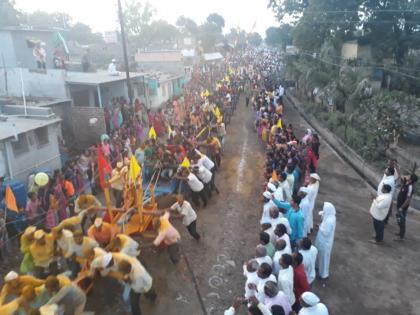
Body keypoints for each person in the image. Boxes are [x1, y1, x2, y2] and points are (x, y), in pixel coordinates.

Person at [314, 202, 336, 280]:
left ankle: (323, 274)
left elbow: (326, 232)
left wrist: (319, 227)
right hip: (322, 240)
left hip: (325, 242)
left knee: (324, 258)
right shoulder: (329, 216)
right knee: (319, 254)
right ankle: (318, 267)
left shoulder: (330, 221)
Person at [394, 174, 418, 241]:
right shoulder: (406, 182)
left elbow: (408, 199)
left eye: (409, 176)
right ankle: (400, 233)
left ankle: (401, 237)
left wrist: (401, 208)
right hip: (399, 205)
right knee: (399, 218)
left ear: (411, 179)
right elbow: (401, 175)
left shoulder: (410, 187)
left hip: (403, 207)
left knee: (401, 220)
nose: (407, 176)